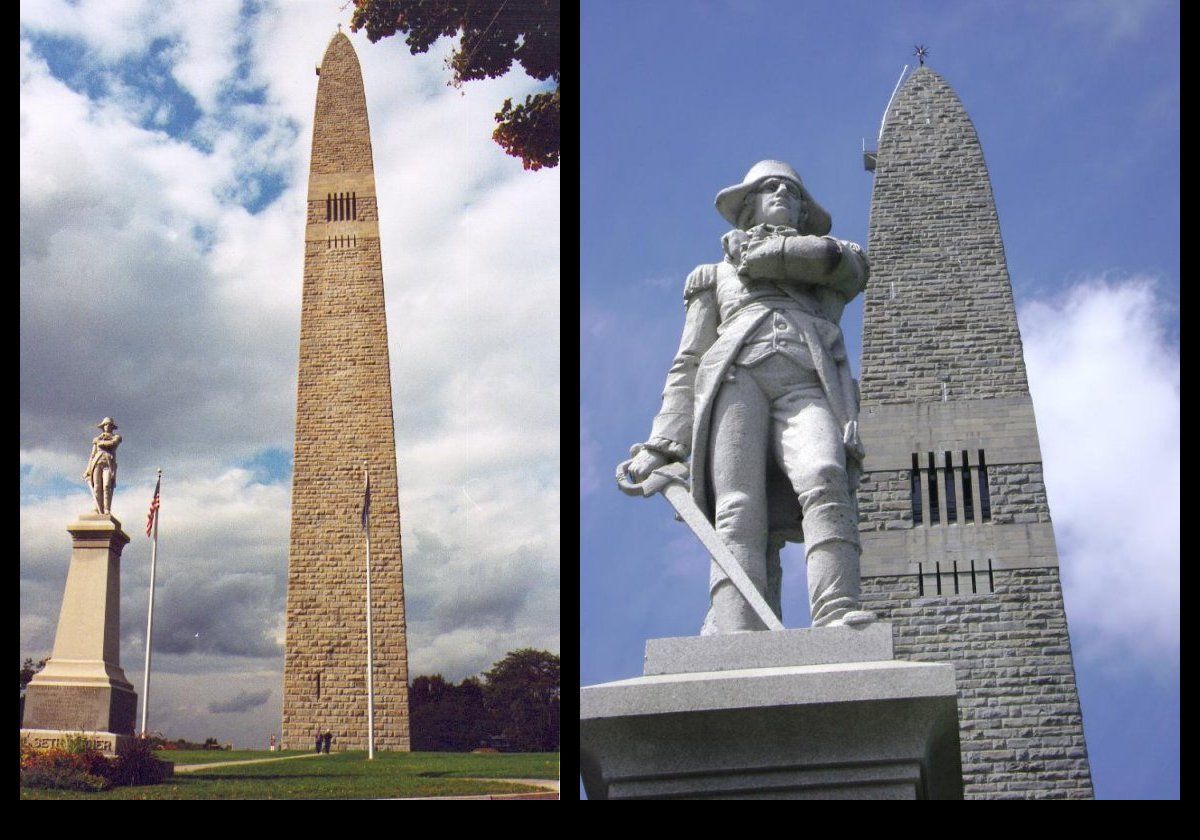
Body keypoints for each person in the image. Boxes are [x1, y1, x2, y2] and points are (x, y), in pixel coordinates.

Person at [623, 160, 876, 633]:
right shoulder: (711, 276)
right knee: (737, 508)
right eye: (768, 187)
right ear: (748, 203)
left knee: (825, 474)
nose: (781, 192)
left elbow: (848, 267)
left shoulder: (828, 258)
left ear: (803, 211)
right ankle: (736, 627)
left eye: (792, 190)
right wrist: (661, 443)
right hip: (736, 380)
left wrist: (763, 254)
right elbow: (689, 360)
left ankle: (837, 610)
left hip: (807, 381)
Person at [82, 417, 121, 515]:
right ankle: (96, 508)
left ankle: (106, 509)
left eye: (109, 425)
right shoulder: (97, 439)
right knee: (97, 487)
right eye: (105, 424)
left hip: (108, 464)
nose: (107, 426)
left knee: (106, 486)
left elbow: (112, 444)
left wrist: (99, 442)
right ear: (103, 426)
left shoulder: (116, 437)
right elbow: (92, 455)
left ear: (112, 427)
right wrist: (87, 470)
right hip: (97, 463)